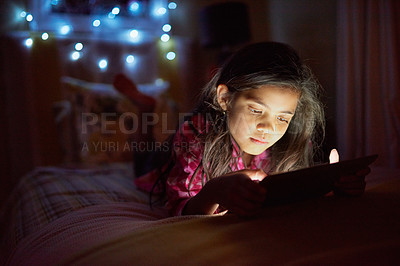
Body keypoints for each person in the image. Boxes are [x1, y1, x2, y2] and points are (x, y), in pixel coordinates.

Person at [122, 42, 369, 216]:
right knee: (144, 157)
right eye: (255, 110)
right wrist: (213, 193)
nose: (268, 128)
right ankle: (146, 107)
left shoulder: (290, 142)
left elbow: (297, 190)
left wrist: (334, 186)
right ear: (225, 98)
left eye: (283, 118)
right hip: (157, 165)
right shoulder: (196, 134)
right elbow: (179, 207)